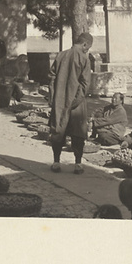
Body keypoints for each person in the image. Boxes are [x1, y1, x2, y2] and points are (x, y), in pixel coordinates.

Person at [48, 32, 93, 175]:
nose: (87, 50)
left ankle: (56, 162)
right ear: (84, 44)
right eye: (88, 47)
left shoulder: (60, 55)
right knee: (78, 133)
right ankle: (78, 164)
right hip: (76, 103)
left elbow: (52, 78)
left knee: (58, 130)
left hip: (59, 100)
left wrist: (54, 97)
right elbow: (85, 84)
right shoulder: (84, 58)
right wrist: (75, 101)